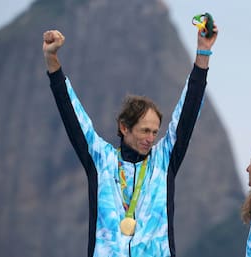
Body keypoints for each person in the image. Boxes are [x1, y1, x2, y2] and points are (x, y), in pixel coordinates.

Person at [42, 22, 218, 257]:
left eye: (155, 132)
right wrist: (52, 59)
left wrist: (203, 52)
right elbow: (71, 113)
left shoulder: (164, 160)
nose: (151, 138)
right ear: (124, 127)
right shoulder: (100, 159)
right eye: (145, 131)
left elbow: (188, 110)